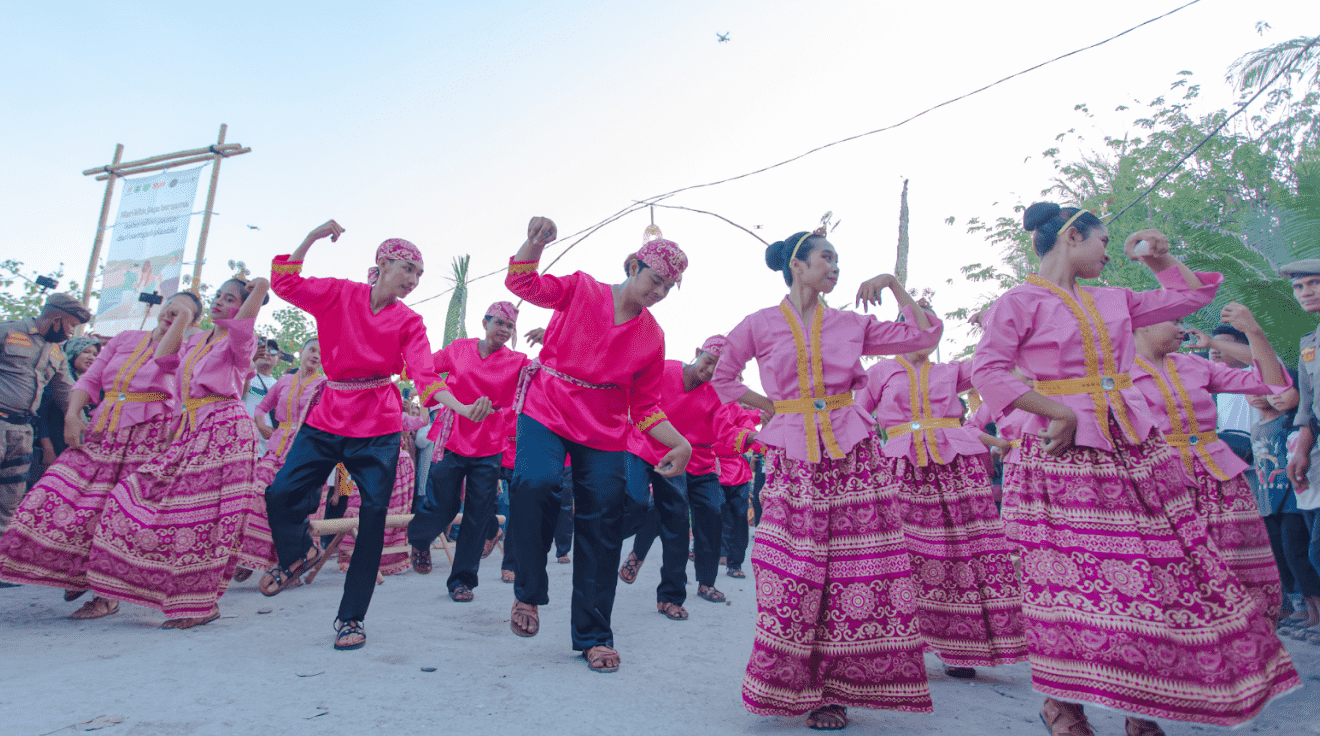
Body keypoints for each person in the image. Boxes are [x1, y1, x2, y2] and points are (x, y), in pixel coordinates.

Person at [972, 203, 1299, 733]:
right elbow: (986, 371)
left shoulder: (1115, 300)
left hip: (1131, 454)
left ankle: (1142, 707)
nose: (1108, 252)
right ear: (1072, 236)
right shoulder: (1018, 301)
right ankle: (1063, 707)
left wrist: (1162, 259)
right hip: (1059, 462)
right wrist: (1057, 411)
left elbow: (1192, 297)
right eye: (1103, 242)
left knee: (1150, 582)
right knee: (1063, 589)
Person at [712, 225, 942, 729]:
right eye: (826, 258)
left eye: (838, 260)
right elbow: (723, 378)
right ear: (797, 265)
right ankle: (792, 683)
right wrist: (772, 407)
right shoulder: (758, 324)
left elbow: (924, 335)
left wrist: (894, 284)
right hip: (795, 461)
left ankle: (835, 693)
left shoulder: (850, 324)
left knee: (855, 571)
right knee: (792, 571)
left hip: (855, 457)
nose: (835, 268)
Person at [259, 222, 475, 652]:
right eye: (408, 269)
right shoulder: (338, 293)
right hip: (328, 414)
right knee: (280, 492)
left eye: (419, 275)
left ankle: (351, 618)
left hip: (378, 424)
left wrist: (462, 407)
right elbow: (285, 282)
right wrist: (313, 237)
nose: (412, 281)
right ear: (383, 263)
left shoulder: (410, 321)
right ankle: (298, 550)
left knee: (373, 517)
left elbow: (426, 376)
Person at [504, 216, 692, 674]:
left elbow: (646, 409)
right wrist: (533, 243)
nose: (659, 291)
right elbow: (523, 282)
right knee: (534, 481)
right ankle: (528, 592)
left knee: (607, 518)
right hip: (547, 405)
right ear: (633, 265)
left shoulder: (653, 337)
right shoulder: (581, 289)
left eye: (669, 287)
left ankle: (593, 636)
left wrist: (680, 443)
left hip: (605, 426)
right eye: (655, 279)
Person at [86, 277, 270, 629]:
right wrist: (184, 317)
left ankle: (199, 604)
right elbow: (163, 357)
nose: (217, 301)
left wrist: (258, 289)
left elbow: (244, 324)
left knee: (203, 519)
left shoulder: (239, 342)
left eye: (228, 299)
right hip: (190, 428)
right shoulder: (198, 340)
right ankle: (149, 588)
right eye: (217, 295)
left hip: (224, 428)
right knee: (133, 496)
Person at [0, 292, 199, 617]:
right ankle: (77, 569)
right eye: (169, 308)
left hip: (147, 434)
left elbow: (167, 363)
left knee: (120, 515)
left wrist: (181, 322)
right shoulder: (125, 338)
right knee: (62, 496)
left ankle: (107, 594)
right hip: (103, 427)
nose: (171, 314)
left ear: (191, 321)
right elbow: (91, 379)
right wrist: (72, 415)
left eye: (181, 313)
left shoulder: (187, 348)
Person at [858, 329, 1027, 679]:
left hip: (955, 470)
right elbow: (858, 417)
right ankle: (897, 643)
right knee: (899, 555)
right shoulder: (878, 372)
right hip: (900, 467)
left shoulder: (952, 371)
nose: (923, 337)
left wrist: (991, 321)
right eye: (913, 328)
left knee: (959, 555)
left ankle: (959, 647)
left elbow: (994, 358)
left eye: (931, 329)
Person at [1132, 308, 1291, 625]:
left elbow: (1272, 383)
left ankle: (1249, 648)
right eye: (1175, 322)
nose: (1182, 329)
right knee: (1175, 576)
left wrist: (1254, 330)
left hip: (1220, 479)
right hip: (1158, 485)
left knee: (1239, 569)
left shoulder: (1195, 364)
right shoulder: (1113, 374)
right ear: (1143, 326)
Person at [406, 301, 529, 602]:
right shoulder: (458, 349)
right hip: (454, 433)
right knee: (441, 503)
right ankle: (420, 540)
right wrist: (445, 397)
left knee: (478, 510)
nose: (503, 329)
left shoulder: (518, 360)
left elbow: (546, 375)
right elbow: (423, 368)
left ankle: (462, 581)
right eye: (498, 322)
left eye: (509, 325)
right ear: (485, 322)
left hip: (490, 440)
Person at [622, 335, 749, 620]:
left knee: (683, 525)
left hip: (688, 460)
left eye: (720, 368)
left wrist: (755, 437)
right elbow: (632, 393)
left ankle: (672, 596)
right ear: (697, 353)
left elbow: (726, 433)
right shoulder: (665, 370)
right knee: (637, 504)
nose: (711, 370)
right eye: (708, 361)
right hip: (644, 446)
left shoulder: (718, 394)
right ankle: (608, 543)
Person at [231, 338, 325, 578]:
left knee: (288, 506)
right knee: (255, 494)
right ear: (301, 351)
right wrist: (261, 424)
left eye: (320, 354)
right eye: (312, 350)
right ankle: (252, 557)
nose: (315, 356)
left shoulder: (325, 385)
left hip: (305, 451)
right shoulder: (283, 381)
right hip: (276, 447)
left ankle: (289, 563)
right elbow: (262, 407)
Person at [0, 293, 90, 535]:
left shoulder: (57, 352)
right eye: (71, 325)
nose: (72, 333)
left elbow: (66, 391)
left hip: (23, 433)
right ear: (56, 318)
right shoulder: (7, 331)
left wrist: (81, 423)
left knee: (10, 500)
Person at [1251, 374, 1320, 633]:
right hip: (1270, 501)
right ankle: (1307, 611)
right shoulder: (1258, 426)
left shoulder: (1297, 427)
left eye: (1283, 390)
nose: (1275, 396)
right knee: (1284, 558)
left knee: (1303, 554)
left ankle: (1314, 613)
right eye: (1271, 391)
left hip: (1295, 500)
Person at [335, 404, 431, 575]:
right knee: (359, 508)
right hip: (370, 465)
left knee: (393, 513)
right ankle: (357, 556)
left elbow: (423, 421)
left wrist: (425, 396)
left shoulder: (397, 415)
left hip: (397, 464)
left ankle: (388, 561)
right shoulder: (362, 413)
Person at [1282, 259, 1320, 643]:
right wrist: (1301, 452)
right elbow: (1308, 410)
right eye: (1299, 287)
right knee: (1314, 550)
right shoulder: (1309, 344)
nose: (1305, 292)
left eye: (1314, 283)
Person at [26, 336, 100, 486]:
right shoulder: (59, 380)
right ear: (73, 351)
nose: (92, 358)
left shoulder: (92, 383)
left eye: (95, 354)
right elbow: (41, 415)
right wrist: (47, 449)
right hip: (50, 446)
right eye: (86, 352)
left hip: (70, 448)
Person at [245, 339, 279, 455]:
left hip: (267, 448)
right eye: (263, 349)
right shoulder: (243, 375)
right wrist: (249, 362)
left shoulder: (281, 384)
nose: (268, 353)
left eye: (273, 351)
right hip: (242, 441)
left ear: (278, 360)